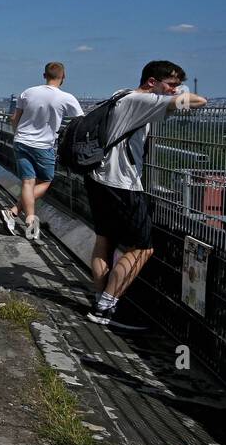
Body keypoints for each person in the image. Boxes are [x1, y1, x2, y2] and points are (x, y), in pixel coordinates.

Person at [87, 61, 207, 325]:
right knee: (143, 249)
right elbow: (199, 101)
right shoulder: (145, 100)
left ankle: (99, 300)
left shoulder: (122, 94)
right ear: (152, 82)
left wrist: (170, 91)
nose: (174, 90)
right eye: (171, 84)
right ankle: (106, 307)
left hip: (98, 179)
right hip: (123, 184)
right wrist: (178, 94)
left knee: (104, 241)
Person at [0, 62, 83, 241]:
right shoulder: (66, 98)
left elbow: (15, 118)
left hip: (21, 141)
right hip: (43, 145)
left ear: (44, 75)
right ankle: (27, 219)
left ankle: (15, 213)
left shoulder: (28, 92)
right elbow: (81, 123)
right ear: (63, 77)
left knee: (27, 182)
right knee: (45, 180)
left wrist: (19, 134)